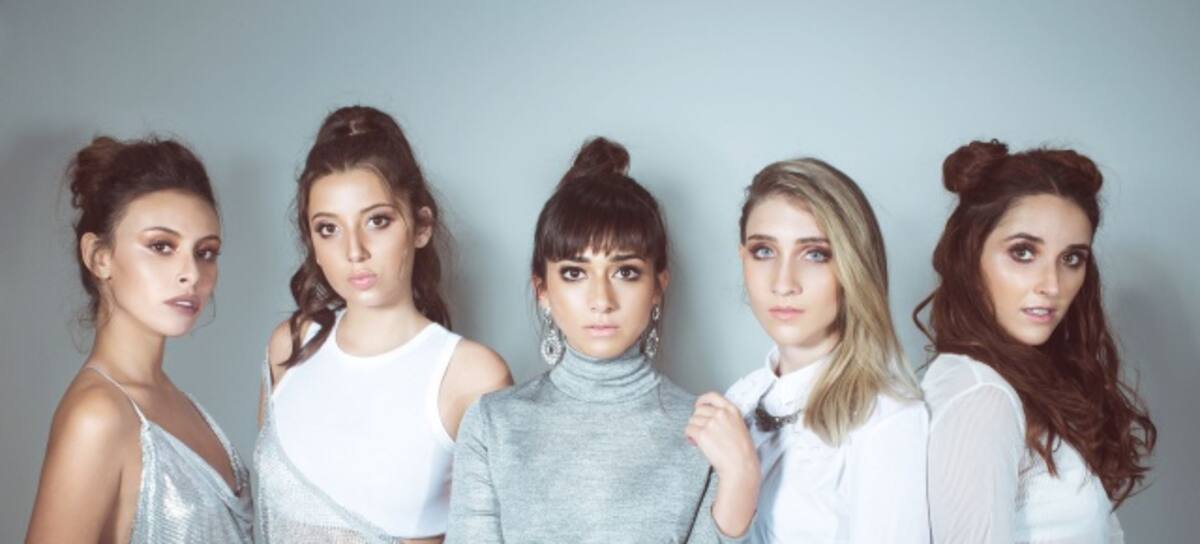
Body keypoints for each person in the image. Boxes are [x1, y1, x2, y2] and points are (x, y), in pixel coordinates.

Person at [447, 137, 758, 543]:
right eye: (575, 273)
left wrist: (741, 478)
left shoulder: (706, 429)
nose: (601, 300)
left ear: (658, 286)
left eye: (625, 272)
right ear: (542, 289)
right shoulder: (494, 423)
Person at [254, 106, 511, 543]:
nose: (354, 250)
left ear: (421, 226)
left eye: (377, 221)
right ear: (311, 241)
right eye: (328, 228)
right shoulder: (290, 346)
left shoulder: (471, 376)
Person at [917, 140, 1157, 543]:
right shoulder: (982, 395)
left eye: (1071, 259)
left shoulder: (1011, 383)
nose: (1052, 285)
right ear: (969, 255)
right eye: (1023, 252)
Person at [26, 135, 253, 543]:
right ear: (99, 257)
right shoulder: (97, 416)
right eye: (161, 246)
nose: (191, 274)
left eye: (205, 252)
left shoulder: (178, 402)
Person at [722, 158, 928, 542]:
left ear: (854, 266)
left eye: (815, 254)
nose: (784, 283)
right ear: (742, 258)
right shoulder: (738, 400)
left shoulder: (887, 419)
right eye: (764, 251)